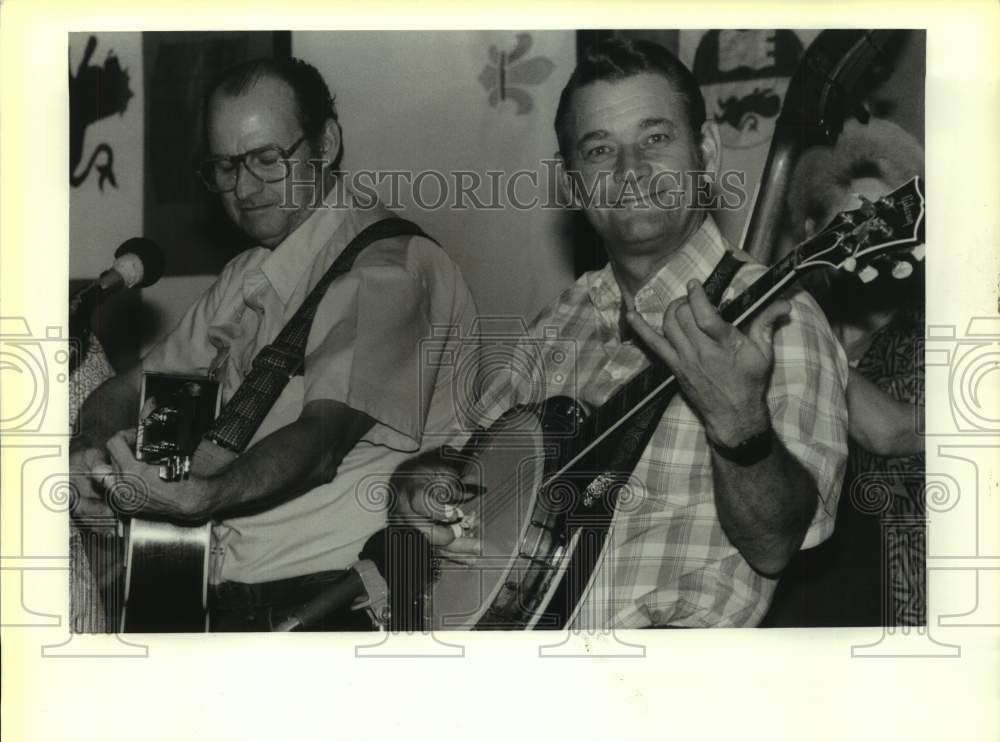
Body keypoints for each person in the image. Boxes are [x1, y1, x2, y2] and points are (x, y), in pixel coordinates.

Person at [391, 38, 849, 629]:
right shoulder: (557, 324)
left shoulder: (780, 319)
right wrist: (417, 485)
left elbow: (776, 544)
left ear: (705, 152)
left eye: (655, 139)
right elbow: (456, 465)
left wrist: (741, 427)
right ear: (574, 183)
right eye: (600, 149)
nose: (630, 172)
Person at [69, 57, 478, 631]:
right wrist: (88, 453)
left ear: (326, 143)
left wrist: (205, 495)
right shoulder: (247, 273)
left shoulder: (389, 270)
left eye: (267, 159)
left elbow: (321, 445)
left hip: (330, 605)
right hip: (204, 591)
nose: (245, 187)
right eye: (225, 166)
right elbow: (127, 392)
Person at [763, 118, 926, 626]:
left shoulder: (940, 334)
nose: (870, 245)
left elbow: (894, 431)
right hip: (790, 592)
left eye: (888, 228)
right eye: (851, 229)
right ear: (813, 235)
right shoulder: (781, 328)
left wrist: (794, 336)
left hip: (905, 596)